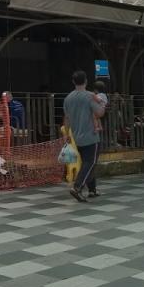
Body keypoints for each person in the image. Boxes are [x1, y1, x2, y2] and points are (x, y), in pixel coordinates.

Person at [63, 69, 106, 202]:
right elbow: (99, 113)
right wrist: (103, 103)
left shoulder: (68, 98)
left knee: (87, 162)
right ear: (86, 81)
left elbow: (67, 118)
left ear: (73, 82)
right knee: (90, 162)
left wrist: (67, 134)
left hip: (77, 136)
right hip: (91, 136)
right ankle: (77, 187)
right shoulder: (90, 96)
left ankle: (92, 190)